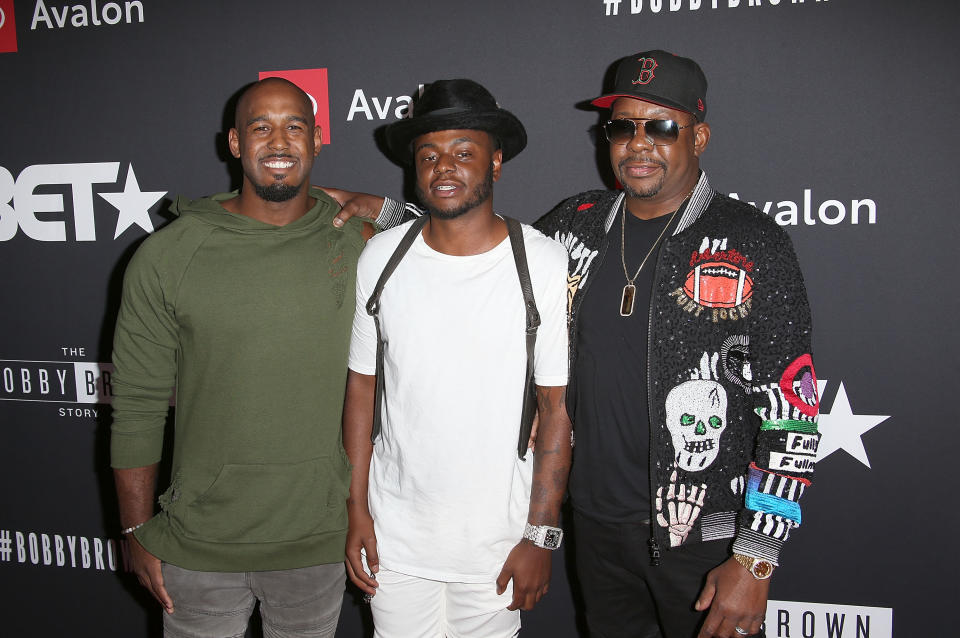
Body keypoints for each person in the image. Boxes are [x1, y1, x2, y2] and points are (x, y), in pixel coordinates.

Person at [330, 51, 819, 638]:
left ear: (700, 135)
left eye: (661, 126)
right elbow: (476, 238)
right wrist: (388, 213)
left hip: (707, 535)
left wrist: (755, 557)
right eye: (623, 126)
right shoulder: (579, 223)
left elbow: (794, 417)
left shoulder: (753, 243)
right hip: (596, 526)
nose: (639, 144)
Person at [110, 77, 370, 638]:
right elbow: (137, 405)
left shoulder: (360, 243)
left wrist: (378, 205)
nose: (279, 140)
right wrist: (135, 532)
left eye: (294, 126)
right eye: (261, 127)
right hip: (198, 546)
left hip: (319, 541)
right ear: (234, 142)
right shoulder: (167, 256)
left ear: (319, 139)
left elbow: (454, 235)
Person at [341, 79, 572, 638]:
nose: (444, 167)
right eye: (429, 155)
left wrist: (540, 535)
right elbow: (360, 394)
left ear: (495, 162)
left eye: (463, 152)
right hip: (394, 542)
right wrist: (356, 511)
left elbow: (555, 410)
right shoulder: (380, 257)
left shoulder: (538, 259)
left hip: (495, 545)